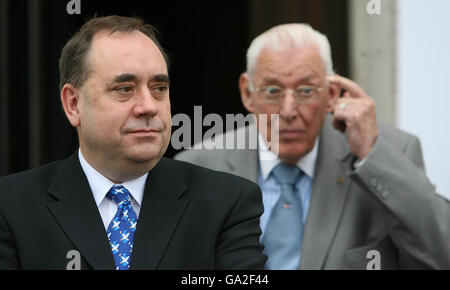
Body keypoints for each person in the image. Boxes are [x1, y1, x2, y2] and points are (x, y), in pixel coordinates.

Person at [0, 15, 267, 270]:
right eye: (125, 89)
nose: (149, 107)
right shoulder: (11, 207)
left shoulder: (226, 202)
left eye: (159, 88)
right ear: (73, 104)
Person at [175, 23, 450, 269]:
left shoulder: (388, 153)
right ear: (248, 93)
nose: (288, 110)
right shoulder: (198, 166)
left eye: (306, 91)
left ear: (331, 94)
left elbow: (441, 256)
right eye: (272, 91)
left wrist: (371, 155)